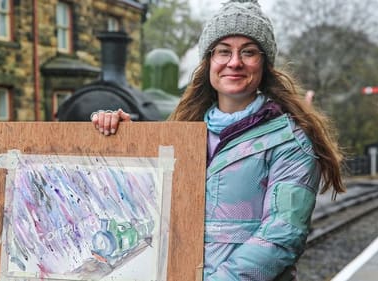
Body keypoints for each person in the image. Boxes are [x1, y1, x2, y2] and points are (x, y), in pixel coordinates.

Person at [91, 0, 346, 280]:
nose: (234, 62)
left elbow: (282, 236)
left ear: (264, 63)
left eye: (248, 52)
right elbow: (142, 210)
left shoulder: (289, 141)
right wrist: (122, 142)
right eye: (223, 51)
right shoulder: (183, 132)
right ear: (209, 61)